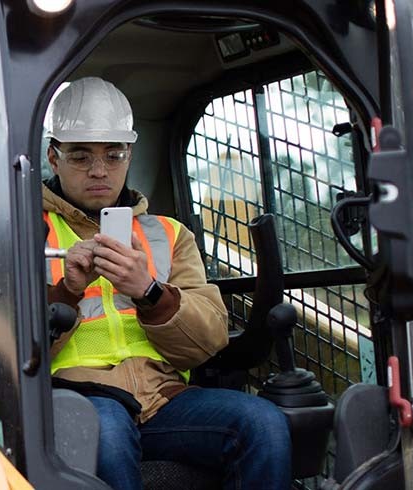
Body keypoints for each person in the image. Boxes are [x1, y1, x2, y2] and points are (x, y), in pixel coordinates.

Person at [42, 77, 291, 490]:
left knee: (263, 423)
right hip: (77, 398)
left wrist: (150, 293)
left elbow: (207, 341)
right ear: (54, 157)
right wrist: (66, 291)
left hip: (163, 401)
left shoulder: (169, 234)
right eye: (81, 156)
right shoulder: (26, 232)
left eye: (114, 154)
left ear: (130, 155)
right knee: (105, 434)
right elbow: (7, 351)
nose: (100, 170)